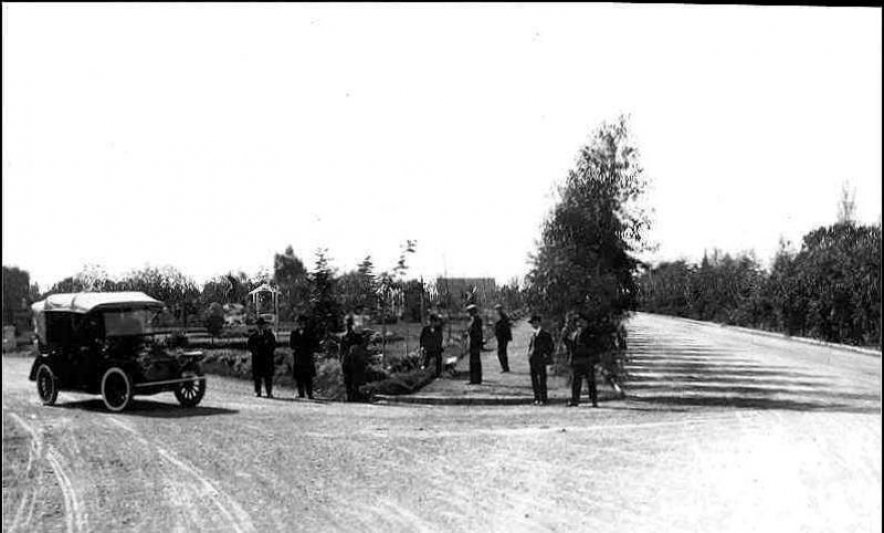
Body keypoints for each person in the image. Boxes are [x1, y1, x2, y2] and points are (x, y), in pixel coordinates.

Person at [569, 314, 600, 407]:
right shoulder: (574, 334)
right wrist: (571, 359)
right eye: (578, 322)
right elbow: (572, 349)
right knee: (576, 382)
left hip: (587, 360)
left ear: (586, 323)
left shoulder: (591, 334)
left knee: (591, 381)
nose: (580, 324)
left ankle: (594, 400)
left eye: (582, 322)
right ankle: (575, 400)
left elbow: (596, 347)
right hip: (577, 361)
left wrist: (594, 359)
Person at [527, 314, 554, 405]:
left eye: (534, 323)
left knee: (542, 380)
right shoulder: (533, 335)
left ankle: (543, 398)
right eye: (532, 323)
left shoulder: (545, 334)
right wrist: (529, 355)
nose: (533, 325)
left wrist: (546, 355)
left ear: (538, 322)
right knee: (534, 380)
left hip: (540, 359)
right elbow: (531, 346)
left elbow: (550, 347)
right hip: (533, 359)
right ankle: (536, 398)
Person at [289, 314, 317, 399]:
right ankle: (301, 393)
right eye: (299, 323)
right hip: (298, 357)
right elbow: (292, 344)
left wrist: (309, 350)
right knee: (299, 377)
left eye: (302, 323)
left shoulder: (310, 332)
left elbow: (313, 344)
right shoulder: (294, 333)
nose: (301, 324)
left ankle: (310, 393)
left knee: (308, 377)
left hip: (308, 357)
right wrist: (296, 348)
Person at [248, 317, 276, 398]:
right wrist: (255, 352)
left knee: (268, 376)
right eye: (258, 325)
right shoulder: (253, 336)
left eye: (261, 325)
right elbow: (250, 346)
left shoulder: (269, 335)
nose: (260, 326)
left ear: (264, 325)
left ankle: (269, 392)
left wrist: (268, 352)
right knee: (257, 376)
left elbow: (273, 345)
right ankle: (258, 391)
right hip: (257, 359)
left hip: (267, 359)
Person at [342, 330, 369, 402]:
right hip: (352, 367)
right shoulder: (356, 348)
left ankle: (351, 397)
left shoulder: (354, 348)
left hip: (349, 365)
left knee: (350, 383)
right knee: (353, 382)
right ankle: (352, 397)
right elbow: (359, 359)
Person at [465, 304, 483, 384]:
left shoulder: (476, 319)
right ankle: (474, 379)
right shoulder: (474, 319)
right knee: (474, 361)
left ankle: (475, 379)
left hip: (475, 343)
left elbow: (475, 332)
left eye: (469, 312)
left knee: (474, 361)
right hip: (474, 342)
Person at [493, 304, 512, 373]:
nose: (496, 311)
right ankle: (505, 367)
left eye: (497, 309)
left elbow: (500, 327)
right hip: (504, 337)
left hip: (502, 337)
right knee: (503, 352)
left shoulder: (501, 316)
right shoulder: (504, 316)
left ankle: (505, 368)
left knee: (501, 352)